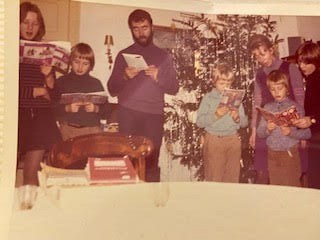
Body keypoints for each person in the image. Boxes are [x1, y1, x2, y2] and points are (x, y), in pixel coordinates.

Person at [107, 9, 179, 182]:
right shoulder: (123, 55)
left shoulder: (163, 56)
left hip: (153, 115)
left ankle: (150, 206)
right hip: (127, 113)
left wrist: (158, 77)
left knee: (151, 162)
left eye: (144, 27)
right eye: (136, 28)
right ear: (131, 30)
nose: (141, 32)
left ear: (151, 27)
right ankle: (128, 204)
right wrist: (124, 76)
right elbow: (112, 89)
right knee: (127, 161)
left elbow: (174, 88)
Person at [248, 34, 305, 184]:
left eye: (263, 53)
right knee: (262, 171)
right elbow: (257, 102)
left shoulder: (290, 68)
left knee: (292, 171)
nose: (260, 58)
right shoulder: (259, 74)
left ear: (271, 49)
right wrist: (254, 130)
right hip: (267, 126)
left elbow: (300, 100)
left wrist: (300, 128)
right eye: (256, 56)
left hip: (289, 125)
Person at [19, 2, 61, 185]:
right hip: (16, 115)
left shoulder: (43, 52)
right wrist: (36, 91)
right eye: (25, 22)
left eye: (34, 23)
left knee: (32, 173)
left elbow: (55, 96)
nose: (30, 28)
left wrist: (49, 77)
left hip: (41, 117)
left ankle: (32, 212)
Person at [256, 70, 311, 186]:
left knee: (291, 187)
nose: (276, 92)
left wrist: (291, 132)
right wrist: (268, 130)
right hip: (272, 154)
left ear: (286, 88)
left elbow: (307, 133)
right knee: (276, 188)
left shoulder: (296, 107)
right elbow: (260, 133)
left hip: (289, 154)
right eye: (272, 89)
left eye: (279, 88)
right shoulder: (267, 107)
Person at [196, 64, 248, 183]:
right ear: (214, 82)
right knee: (215, 177)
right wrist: (216, 115)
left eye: (228, 84)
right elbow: (200, 122)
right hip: (214, 139)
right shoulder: (208, 98)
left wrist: (237, 119)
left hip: (232, 140)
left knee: (232, 177)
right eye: (222, 83)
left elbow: (244, 123)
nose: (225, 87)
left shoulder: (234, 97)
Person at [54, 43, 109, 141]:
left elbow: (107, 109)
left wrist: (96, 108)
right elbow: (52, 107)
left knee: (92, 156)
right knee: (68, 156)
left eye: (85, 64)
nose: (80, 67)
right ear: (70, 61)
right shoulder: (61, 81)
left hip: (92, 130)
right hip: (68, 129)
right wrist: (67, 108)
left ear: (91, 65)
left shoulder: (95, 83)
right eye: (76, 62)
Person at [294, 41, 320, 189]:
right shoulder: (311, 78)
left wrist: (312, 119)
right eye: (299, 62)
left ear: (315, 60)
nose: (301, 66)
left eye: (305, 62)